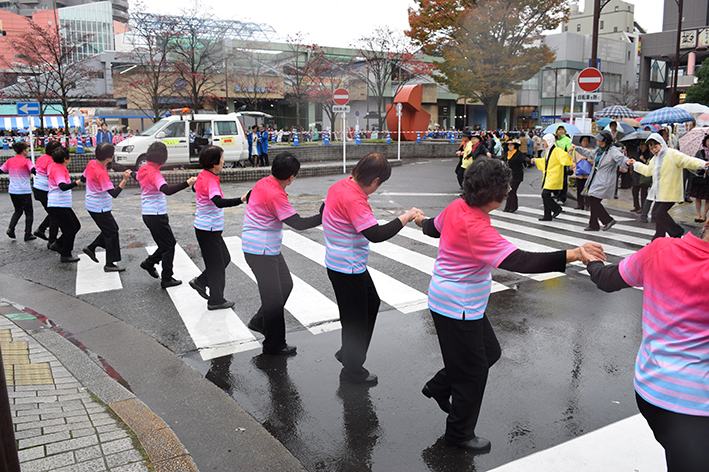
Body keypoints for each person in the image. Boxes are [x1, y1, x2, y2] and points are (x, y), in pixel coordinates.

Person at [415, 158, 604, 452]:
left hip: (460, 302)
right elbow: (521, 261)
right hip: (457, 307)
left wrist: (420, 221)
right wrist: (574, 254)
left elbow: (433, 228)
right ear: (496, 195)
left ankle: (439, 386)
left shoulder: (458, 207)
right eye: (507, 186)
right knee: (473, 373)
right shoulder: (475, 226)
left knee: (489, 352)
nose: (510, 189)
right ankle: (458, 435)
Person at [585, 228, 709, 472]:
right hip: (697, 405)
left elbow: (606, 279)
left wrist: (593, 262)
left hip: (652, 391)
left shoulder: (661, 250)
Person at [323, 153, 422, 385]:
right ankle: (352, 370)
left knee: (370, 304)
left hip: (348, 264)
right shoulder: (354, 199)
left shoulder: (342, 185)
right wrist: (406, 217)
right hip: (346, 267)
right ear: (376, 180)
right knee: (354, 320)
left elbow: (325, 209)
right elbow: (375, 234)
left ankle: (348, 353)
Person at [242, 152, 323, 355]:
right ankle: (273, 344)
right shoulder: (276, 194)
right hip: (260, 250)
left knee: (286, 285)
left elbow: (252, 197)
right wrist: (324, 215)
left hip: (267, 249)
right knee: (274, 299)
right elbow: (298, 223)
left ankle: (260, 321)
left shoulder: (264, 183)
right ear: (291, 177)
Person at [189, 146, 247, 310]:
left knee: (224, 259)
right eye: (222, 158)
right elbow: (218, 201)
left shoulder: (203, 175)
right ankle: (216, 300)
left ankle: (200, 282)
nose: (223, 161)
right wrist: (241, 199)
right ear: (215, 163)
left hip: (209, 229)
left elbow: (195, 188)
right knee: (217, 265)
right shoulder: (211, 180)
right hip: (208, 229)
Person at [135, 143, 197, 288]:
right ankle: (166, 278)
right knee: (169, 245)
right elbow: (167, 190)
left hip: (148, 214)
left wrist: (129, 173)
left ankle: (149, 263)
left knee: (166, 244)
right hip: (157, 214)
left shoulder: (143, 168)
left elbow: (136, 176)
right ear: (163, 158)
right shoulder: (155, 173)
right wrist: (187, 183)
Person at [627, 134, 709, 240]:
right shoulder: (655, 159)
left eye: (655, 146)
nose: (654, 150)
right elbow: (648, 171)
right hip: (659, 193)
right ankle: (658, 239)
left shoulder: (671, 153)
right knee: (657, 216)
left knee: (659, 214)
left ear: (661, 143)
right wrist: (635, 164)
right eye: (651, 148)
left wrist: (702, 164)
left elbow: (686, 160)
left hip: (670, 192)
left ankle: (676, 231)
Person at [81, 143, 131, 272]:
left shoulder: (91, 163)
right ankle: (109, 263)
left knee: (110, 230)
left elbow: (83, 177)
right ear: (109, 158)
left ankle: (92, 247)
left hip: (91, 204)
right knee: (112, 232)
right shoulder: (101, 172)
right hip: (100, 207)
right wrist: (125, 179)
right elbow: (114, 193)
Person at [572, 130, 627, 232]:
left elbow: (621, 158)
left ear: (605, 141)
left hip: (605, 180)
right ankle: (593, 224)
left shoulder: (612, 150)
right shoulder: (600, 150)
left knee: (594, 200)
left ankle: (607, 220)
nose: (597, 140)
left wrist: (627, 162)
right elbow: (590, 153)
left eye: (599, 139)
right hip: (597, 178)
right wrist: (577, 148)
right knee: (593, 200)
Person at [46, 147, 82, 262]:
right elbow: (62, 186)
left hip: (62, 204)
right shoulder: (58, 169)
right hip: (57, 204)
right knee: (70, 229)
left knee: (76, 225)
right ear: (65, 159)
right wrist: (76, 182)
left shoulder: (59, 167)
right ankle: (65, 254)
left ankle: (58, 244)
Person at [532, 134, 572, 221]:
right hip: (549, 176)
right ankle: (547, 215)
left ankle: (556, 208)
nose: (543, 143)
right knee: (546, 194)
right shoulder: (548, 151)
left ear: (549, 141)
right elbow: (545, 162)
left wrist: (569, 154)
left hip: (554, 175)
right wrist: (536, 160)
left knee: (545, 194)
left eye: (544, 141)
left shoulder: (557, 150)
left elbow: (564, 159)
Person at [1, 141, 35, 241]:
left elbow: (1, 170)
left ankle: (11, 228)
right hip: (24, 190)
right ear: (23, 151)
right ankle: (28, 234)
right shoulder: (26, 161)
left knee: (18, 210)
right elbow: (34, 170)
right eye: (27, 149)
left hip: (12, 190)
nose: (28, 151)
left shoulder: (10, 161)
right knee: (29, 212)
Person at [31, 140, 63, 245]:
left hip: (37, 188)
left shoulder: (41, 157)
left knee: (53, 212)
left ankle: (41, 229)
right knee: (55, 215)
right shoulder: (51, 162)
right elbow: (52, 176)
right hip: (46, 190)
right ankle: (52, 241)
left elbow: (35, 170)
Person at [502, 139, 527, 213]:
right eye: (509, 145)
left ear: (515, 146)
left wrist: (531, 160)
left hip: (517, 175)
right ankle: (508, 207)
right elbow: (503, 159)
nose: (510, 147)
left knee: (512, 191)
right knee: (509, 191)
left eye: (511, 145)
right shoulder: (508, 153)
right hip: (509, 175)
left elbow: (524, 158)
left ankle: (512, 207)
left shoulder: (518, 153)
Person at [689, 134, 709, 222]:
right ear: (705, 142)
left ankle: (704, 215)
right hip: (700, 177)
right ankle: (698, 214)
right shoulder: (700, 152)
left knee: (708, 198)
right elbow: (694, 163)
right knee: (698, 197)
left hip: (708, 178)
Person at [571, 135, 593, 210]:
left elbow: (594, 160)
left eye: (587, 141)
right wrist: (574, 169)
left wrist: (587, 159)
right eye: (584, 141)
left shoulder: (591, 150)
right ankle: (580, 204)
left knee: (588, 189)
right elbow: (573, 161)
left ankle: (588, 204)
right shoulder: (577, 150)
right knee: (579, 189)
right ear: (581, 142)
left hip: (588, 174)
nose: (585, 142)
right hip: (579, 173)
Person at [630, 140, 652, 213]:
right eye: (640, 144)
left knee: (643, 192)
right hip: (636, 174)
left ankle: (643, 208)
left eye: (643, 144)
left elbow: (649, 164)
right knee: (634, 191)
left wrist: (643, 160)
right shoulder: (638, 152)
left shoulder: (649, 153)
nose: (641, 146)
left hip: (643, 175)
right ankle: (636, 206)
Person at [554, 126, 572, 203]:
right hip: (554, 163)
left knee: (563, 180)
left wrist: (571, 163)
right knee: (555, 179)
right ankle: (556, 194)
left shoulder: (567, 140)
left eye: (562, 130)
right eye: (559, 129)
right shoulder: (554, 140)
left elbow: (571, 151)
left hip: (563, 163)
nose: (561, 131)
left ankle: (562, 197)